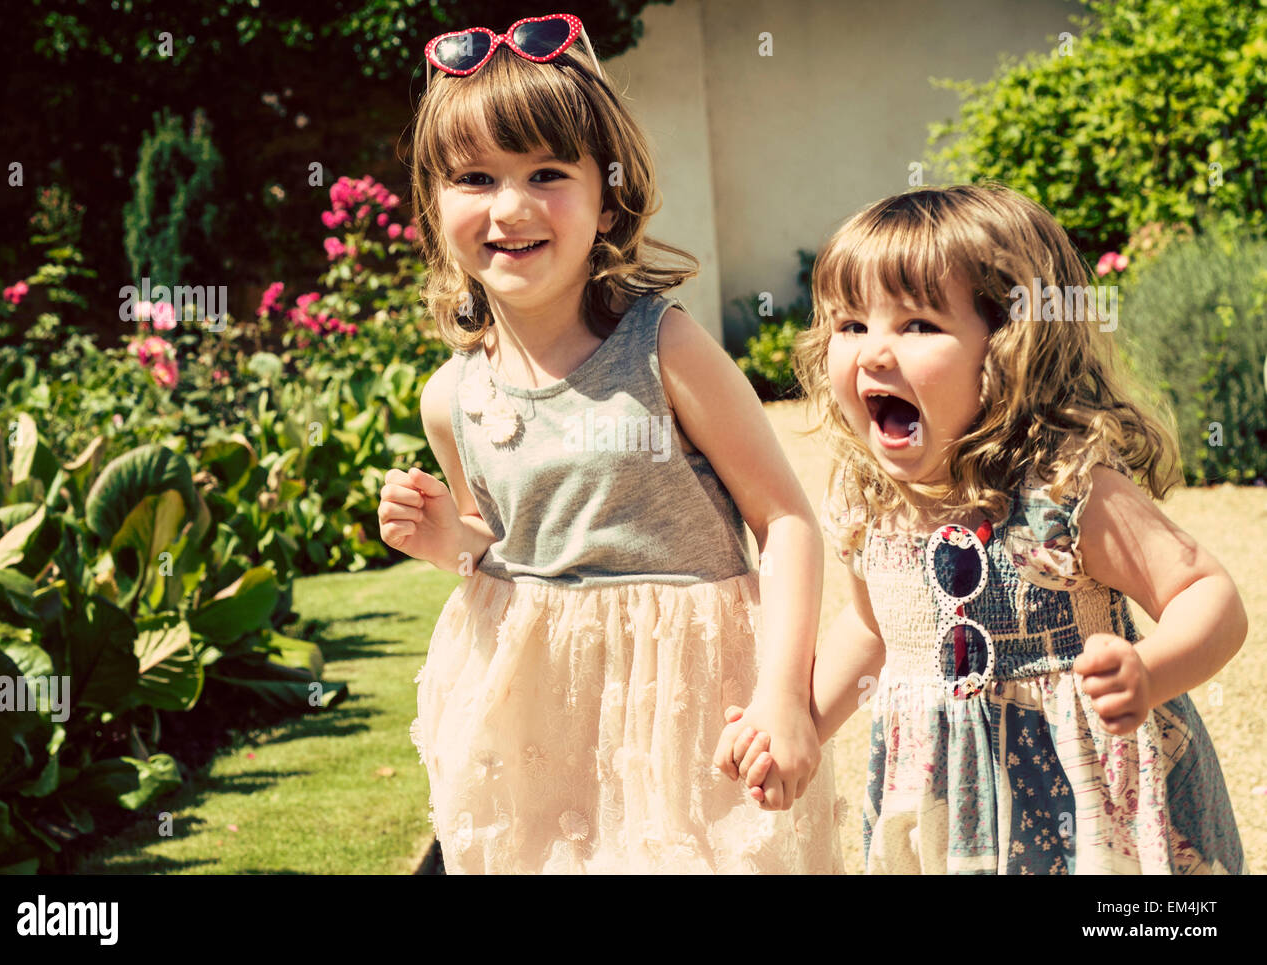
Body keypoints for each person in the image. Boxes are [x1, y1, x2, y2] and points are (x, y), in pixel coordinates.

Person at [379, 13, 843, 873]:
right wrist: (449, 540)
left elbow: (786, 522)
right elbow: (498, 540)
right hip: (531, 727)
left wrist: (784, 694)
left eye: (547, 173)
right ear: (434, 203)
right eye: (475, 178)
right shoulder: (450, 397)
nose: (510, 208)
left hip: (681, 720)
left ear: (608, 193)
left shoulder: (663, 348)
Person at [722, 184, 1246, 874]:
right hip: (946, 813)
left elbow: (1208, 595)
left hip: (1090, 814)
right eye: (851, 325)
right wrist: (804, 725)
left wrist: (1149, 670)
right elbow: (876, 630)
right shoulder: (869, 502)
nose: (875, 352)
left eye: (916, 325)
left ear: (1010, 345)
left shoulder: (1062, 491)